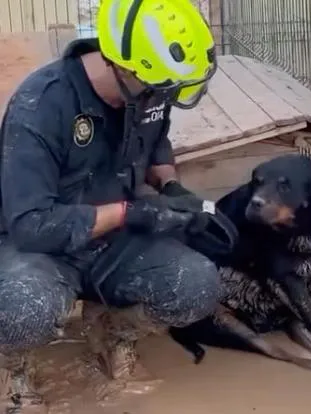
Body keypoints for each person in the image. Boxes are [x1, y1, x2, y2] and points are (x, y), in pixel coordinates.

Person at [0, 0, 232, 409]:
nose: (164, 96)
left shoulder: (146, 90)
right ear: (122, 68)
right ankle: (16, 367)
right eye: (160, 87)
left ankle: (112, 331)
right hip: (43, 245)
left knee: (199, 284)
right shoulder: (40, 107)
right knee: (22, 310)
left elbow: (156, 140)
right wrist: (133, 212)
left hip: (114, 237)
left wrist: (172, 186)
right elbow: (30, 224)